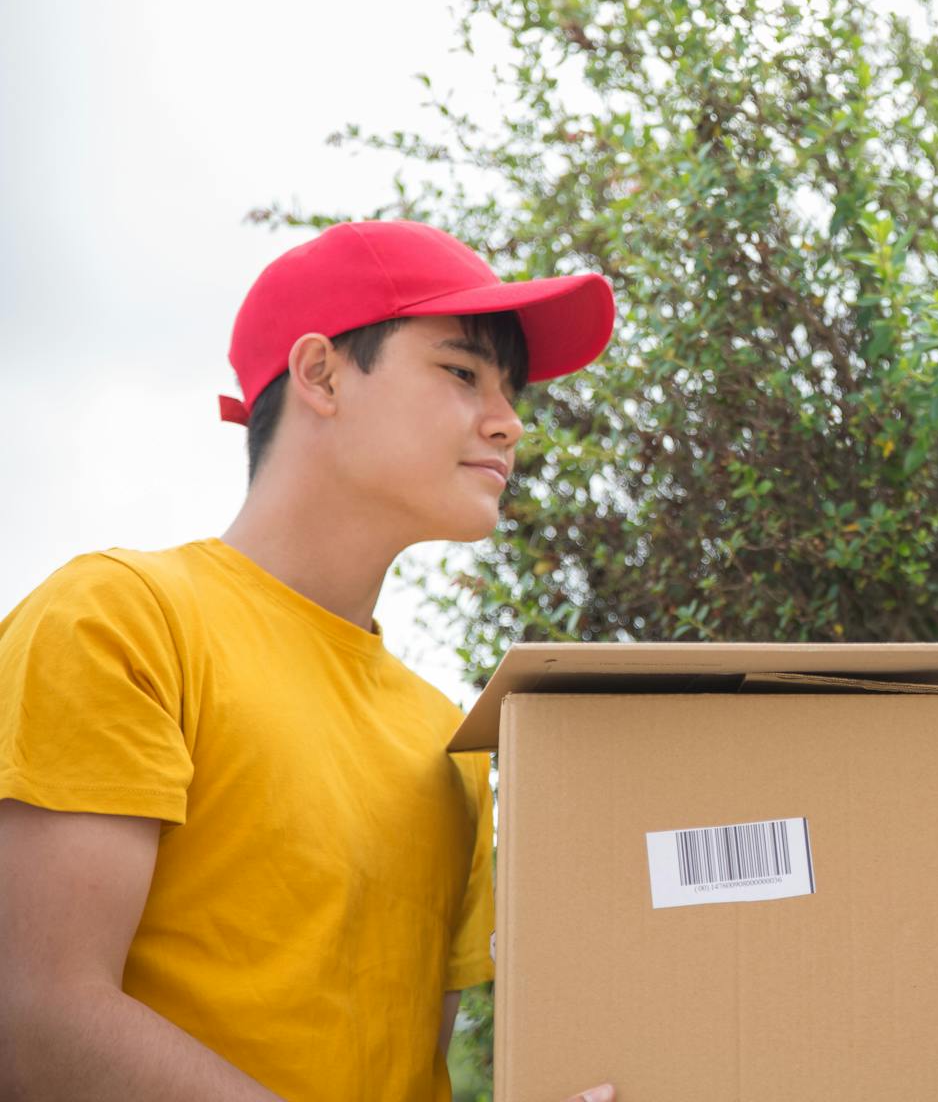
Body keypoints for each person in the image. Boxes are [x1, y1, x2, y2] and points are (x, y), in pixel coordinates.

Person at [0, 221, 619, 1102]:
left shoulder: (445, 736)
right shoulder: (121, 619)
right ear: (321, 375)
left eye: (511, 389)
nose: (508, 421)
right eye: (462, 371)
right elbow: (37, 1027)